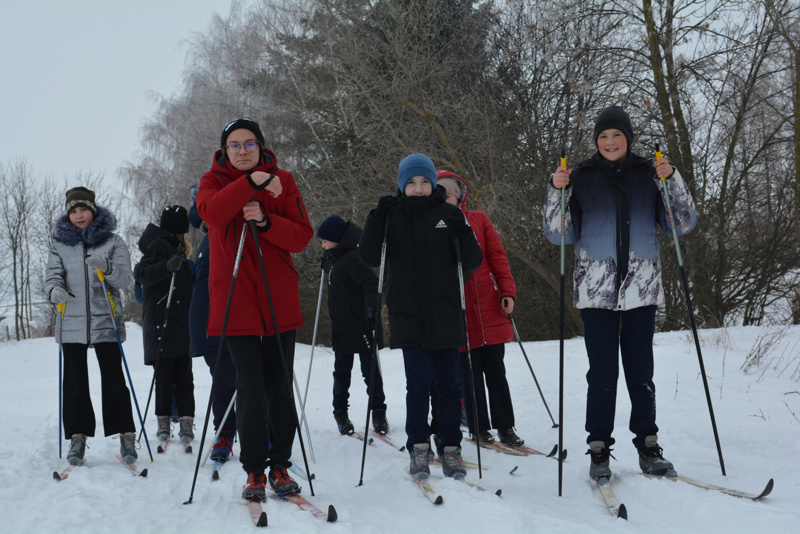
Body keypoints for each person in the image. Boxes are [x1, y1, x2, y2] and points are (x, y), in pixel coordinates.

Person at [542, 105, 697, 480]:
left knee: (641, 372)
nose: (610, 143)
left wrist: (672, 179)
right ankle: (599, 447)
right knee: (603, 373)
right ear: (597, 141)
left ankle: (648, 444)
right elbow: (559, 233)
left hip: (641, 291)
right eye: (603, 137)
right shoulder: (579, 176)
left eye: (617, 136)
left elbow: (683, 223)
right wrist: (555, 191)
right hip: (596, 294)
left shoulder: (649, 174)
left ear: (628, 139)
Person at [195, 118, 313, 502]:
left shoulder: (286, 180)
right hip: (236, 306)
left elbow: (301, 236)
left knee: (279, 388)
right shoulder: (212, 182)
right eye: (234, 145)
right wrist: (253, 183)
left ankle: (280, 466)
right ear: (224, 151)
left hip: (279, 304)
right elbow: (211, 215)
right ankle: (253, 472)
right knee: (249, 389)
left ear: (261, 146)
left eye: (249, 144)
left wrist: (265, 220)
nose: (243, 150)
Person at [359, 153, 482, 481]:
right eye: (411, 183)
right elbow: (369, 255)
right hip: (408, 313)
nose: (417, 188)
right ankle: (418, 446)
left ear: (432, 183)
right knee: (418, 382)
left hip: (446, 313)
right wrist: (376, 217)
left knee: (449, 384)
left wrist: (462, 230)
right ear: (402, 185)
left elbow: (472, 261)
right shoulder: (391, 215)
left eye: (424, 182)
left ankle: (451, 447)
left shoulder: (448, 213)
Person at [45, 186, 138, 465]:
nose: (79, 215)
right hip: (70, 321)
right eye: (73, 211)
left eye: (83, 209)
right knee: (74, 382)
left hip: (105, 320)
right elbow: (52, 278)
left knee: (113, 379)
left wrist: (107, 267)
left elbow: (124, 280)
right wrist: (54, 292)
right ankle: (77, 435)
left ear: (93, 211)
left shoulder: (113, 242)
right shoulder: (59, 244)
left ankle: (125, 433)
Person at [436, 170, 522, 447]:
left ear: (459, 194)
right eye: (440, 193)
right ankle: (478, 427)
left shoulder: (479, 219)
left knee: (496, 372)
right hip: (456, 313)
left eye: (450, 192)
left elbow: (498, 256)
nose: (446, 197)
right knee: (468, 375)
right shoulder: (431, 225)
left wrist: (507, 291)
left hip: (490, 307)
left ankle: (505, 426)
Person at [317, 215, 389, 436]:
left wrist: (371, 308)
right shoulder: (334, 258)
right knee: (341, 373)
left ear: (338, 239)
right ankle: (340, 412)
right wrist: (327, 265)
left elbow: (371, 283)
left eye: (325, 240)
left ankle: (378, 411)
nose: (322, 244)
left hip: (361, 324)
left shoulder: (354, 258)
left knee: (370, 372)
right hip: (341, 326)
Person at [134, 205, 196, 448]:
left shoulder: (176, 248)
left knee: (182, 375)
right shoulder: (159, 245)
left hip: (179, 322)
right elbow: (141, 273)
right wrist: (167, 266)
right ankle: (164, 420)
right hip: (163, 322)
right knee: (166, 376)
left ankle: (185, 421)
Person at [187, 191, 237, 463]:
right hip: (209, 323)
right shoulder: (207, 243)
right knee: (222, 381)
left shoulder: (238, 234)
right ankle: (225, 432)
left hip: (241, 320)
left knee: (255, 379)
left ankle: (263, 428)